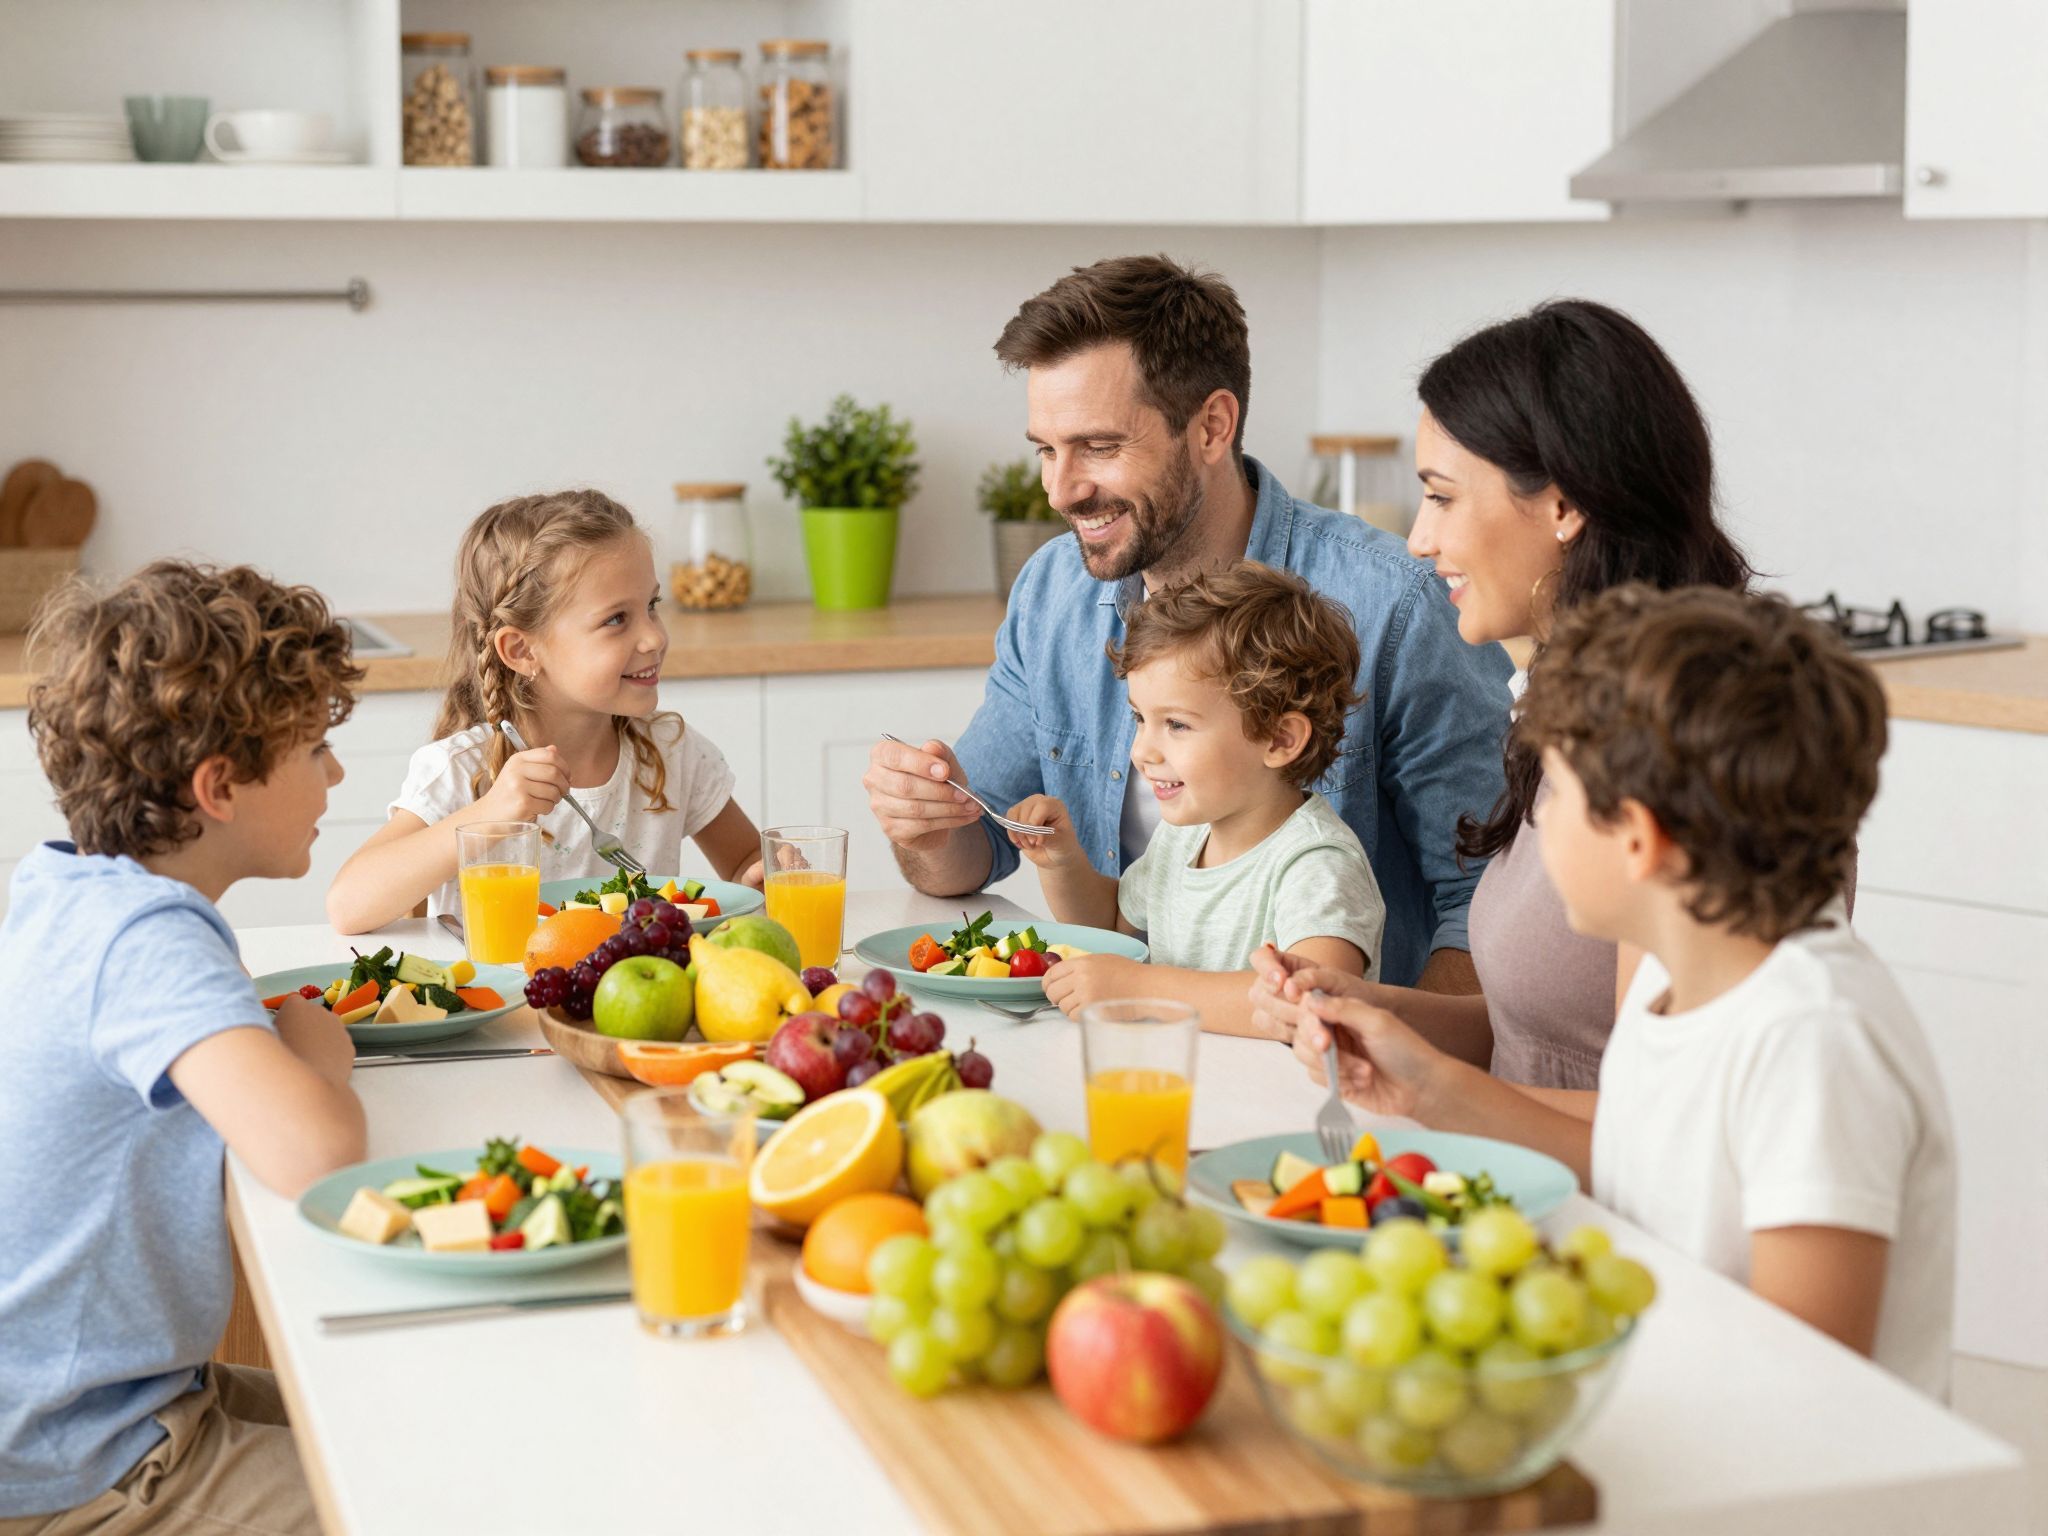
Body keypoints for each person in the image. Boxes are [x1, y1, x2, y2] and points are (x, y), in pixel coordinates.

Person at [1263, 585, 1956, 1399]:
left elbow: (1806, 1380)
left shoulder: (1814, 1040)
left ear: (1637, 837)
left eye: (1553, 796)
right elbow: (1638, 1159)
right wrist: (1423, 1083)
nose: (1536, 828)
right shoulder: (1677, 971)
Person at [863, 254, 1511, 991]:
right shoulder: (1053, 591)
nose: (1061, 490)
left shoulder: (1396, 604)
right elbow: (975, 849)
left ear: (1211, 426)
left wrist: (1405, 1077)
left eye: (1100, 447)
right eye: (1047, 450)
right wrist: (924, 822)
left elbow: (1485, 910)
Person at [1256, 298, 1754, 1090]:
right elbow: (1542, 1036)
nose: (1420, 540)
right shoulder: (1560, 705)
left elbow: (1662, 1127)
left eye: (1443, 496)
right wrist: (1375, 1017)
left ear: (1564, 503)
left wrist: (1434, 1091)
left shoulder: (1683, 748)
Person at [0, 561, 369, 1532]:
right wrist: (314, 1048)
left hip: (86, 1405)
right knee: (411, 1493)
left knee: (398, 1409)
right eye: (316, 749)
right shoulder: (146, 936)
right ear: (219, 788)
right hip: (78, 1460)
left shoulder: (66, 888)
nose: (335, 774)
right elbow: (315, 1156)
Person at [327, 489, 763, 933]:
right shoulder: (464, 771)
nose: (653, 638)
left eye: (651, 606)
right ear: (521, 650)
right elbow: (347, 906)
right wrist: (492, 813)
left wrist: (766, 871)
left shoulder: (670, 752)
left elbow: (746, 863)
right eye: (616, 620)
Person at [1006, 561, 1384, 1031]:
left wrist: (1138, 989)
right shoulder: (1182, 839)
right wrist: (1063, 862)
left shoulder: (1316, 864)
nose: (1141, 752)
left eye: (1177, 725)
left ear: (1280, 740)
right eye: (1140, 719)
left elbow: (1312, 1002)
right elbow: (1110, 924)